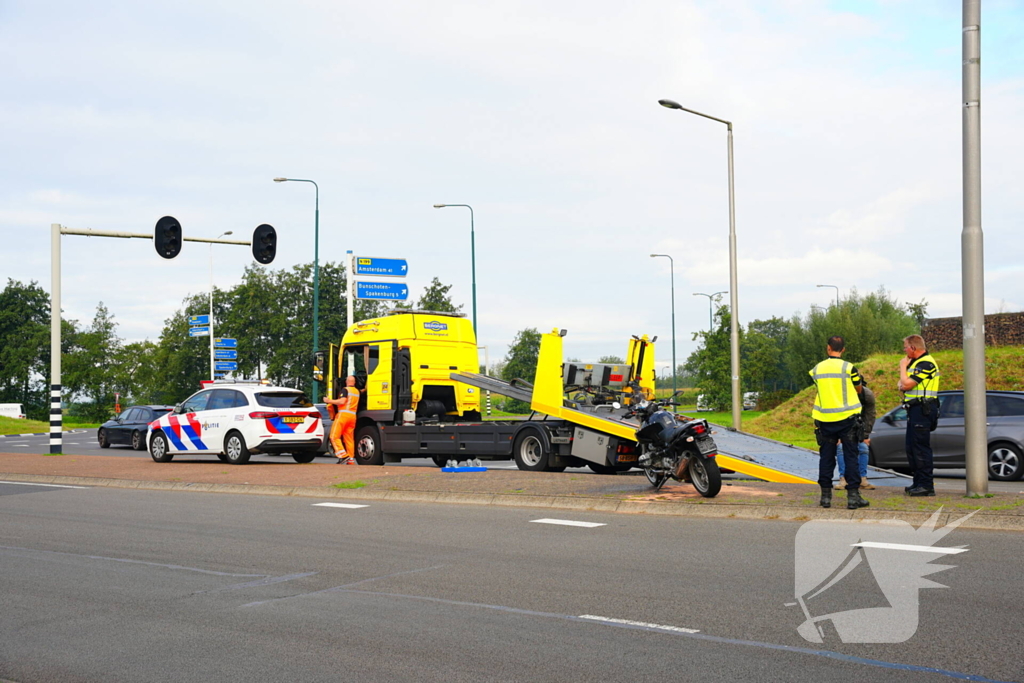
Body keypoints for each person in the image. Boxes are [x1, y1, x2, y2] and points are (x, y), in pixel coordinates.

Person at [809, 336, 869, 510]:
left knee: (826, 458)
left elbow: (819, 387)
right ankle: (853, 497)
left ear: (828, 348)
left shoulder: (817, 369)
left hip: (825, 419)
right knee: (851, 457)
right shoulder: (849, 368)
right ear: (843, 349)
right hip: (847, 419)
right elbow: (858, 389)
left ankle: (825, 497)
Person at [898, 334, 940, 496]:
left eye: (905, 347)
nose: (904, 351)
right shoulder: (916, 363)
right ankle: (918, 482)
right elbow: (901, 385)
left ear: (913, 348)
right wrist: (904, 382)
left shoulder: (926, 363)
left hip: (924, 409)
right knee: (912, 447)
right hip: (914, 409)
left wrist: (903, 368)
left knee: (921, 448)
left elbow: (906, 384)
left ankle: (926, 485)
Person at [835, 379, 877, 490]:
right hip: (843, 426)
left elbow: (870, 416)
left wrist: (865, 436)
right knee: (840, 448)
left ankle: (862, 479)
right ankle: (843, 479)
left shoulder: (867, 396)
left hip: (859, 426)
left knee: (863, 447)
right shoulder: (841, 396)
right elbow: (836, 416)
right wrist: (838, 436)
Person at [324, 376, 360, 465]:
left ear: (346, 381)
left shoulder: (345, 390)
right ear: (354, 382)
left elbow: (342, 402)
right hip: (352, 417)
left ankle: (343, 455)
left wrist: (329, 401)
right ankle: (351, 459)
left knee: (333, 436)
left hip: (343, 416)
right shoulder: (357, 391)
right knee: (349, 439)